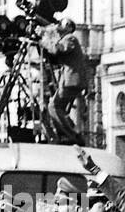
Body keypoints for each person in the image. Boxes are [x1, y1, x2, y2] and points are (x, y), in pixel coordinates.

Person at [40, 18, 94, 146]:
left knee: (54, 107)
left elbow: (56, 49)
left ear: (70, 28)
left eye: (62, 24)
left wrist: (44, 39)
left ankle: (70, 135)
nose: (59, 26)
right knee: (59, 108)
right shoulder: (66, 39)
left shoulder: (70, 39)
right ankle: (67, 133)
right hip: (70, 80)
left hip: (72, 81)